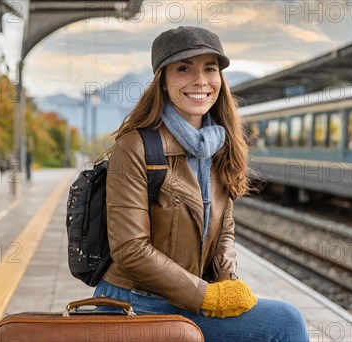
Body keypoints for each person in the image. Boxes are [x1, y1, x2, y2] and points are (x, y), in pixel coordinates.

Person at [93, 26, 309, 341]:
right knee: (286, 322)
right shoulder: (136, 146)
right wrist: (206, 297)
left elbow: (225, 231)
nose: (200, 80)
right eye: (184, 69)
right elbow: (130, 249)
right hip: (135, 301)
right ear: (163, 82)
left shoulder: (220, 146)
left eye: (210, 69)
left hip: (185, 297)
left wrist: (226, 281)